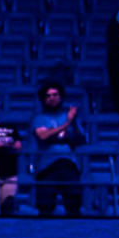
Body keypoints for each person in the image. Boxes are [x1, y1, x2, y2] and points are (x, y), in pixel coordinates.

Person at [30, 83, 85, 218]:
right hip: (47, 166)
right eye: (48, 96)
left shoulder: (70, 117)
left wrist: (74, 121)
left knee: (74, 207)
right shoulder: (39, 118)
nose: (52, 98)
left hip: (68, 164)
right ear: (43, 99)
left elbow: (81, 138)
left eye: (55, 95)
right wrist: (66, 124)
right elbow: (43, 136)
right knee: (46, 209)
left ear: (61, 97)